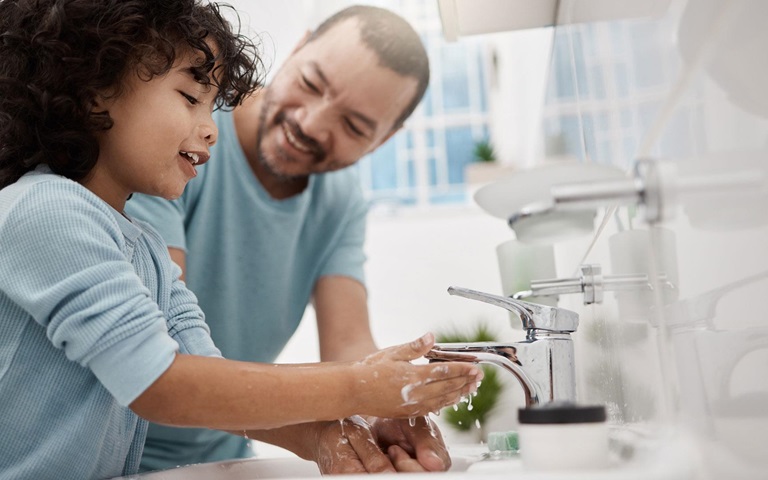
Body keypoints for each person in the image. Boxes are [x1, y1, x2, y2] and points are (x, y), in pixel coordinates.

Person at [0, 1, 483, 478]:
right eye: (191, 99)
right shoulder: (47, 212)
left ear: (384, 139)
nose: (212, 129)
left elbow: (199, 361)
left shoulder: (141, 243)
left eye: (212, 106)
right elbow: (161, 381)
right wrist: (361, 387)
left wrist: (320, 436)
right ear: (96, 90)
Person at [125, 4, 456, 475]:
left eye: (355, 126)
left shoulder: (339, 199)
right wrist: (352, 396)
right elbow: (165, 345)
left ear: (382, 141)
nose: (312, 123)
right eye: (312, 84)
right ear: (297, 49)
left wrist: (384, 409)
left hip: (223, 460)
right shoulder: (183, 139)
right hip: (115, 453)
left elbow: (348, 341)